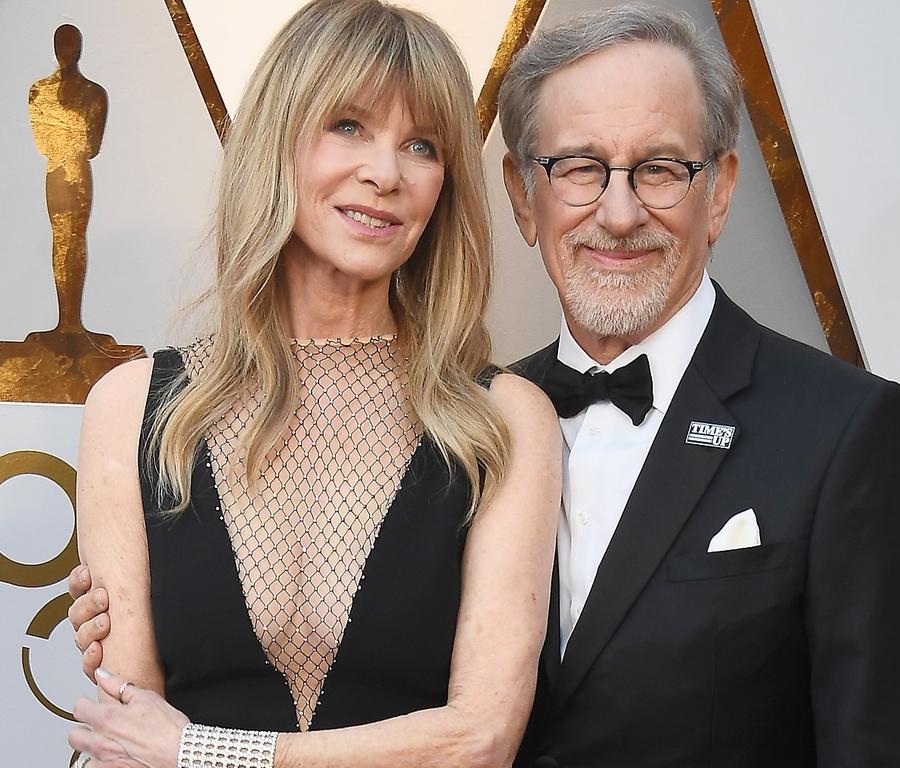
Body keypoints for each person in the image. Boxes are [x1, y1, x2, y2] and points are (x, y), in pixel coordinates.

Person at [70, 4, 900, 767]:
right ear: (521, 195)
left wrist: (206, 749)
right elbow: (123, 733)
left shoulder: (838, 430)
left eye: (659, 167)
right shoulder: (499, 405)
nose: (617, 211)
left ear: (718, 190)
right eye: (577, 166)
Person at [65, 1, 560, 767]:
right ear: (277, 138)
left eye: (422, 145)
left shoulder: (504, 422)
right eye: (349, 126)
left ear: (445, 185)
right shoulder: (131, 409)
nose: (385, 173)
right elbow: (132, 741)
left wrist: (208, 752)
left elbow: (480, 739)